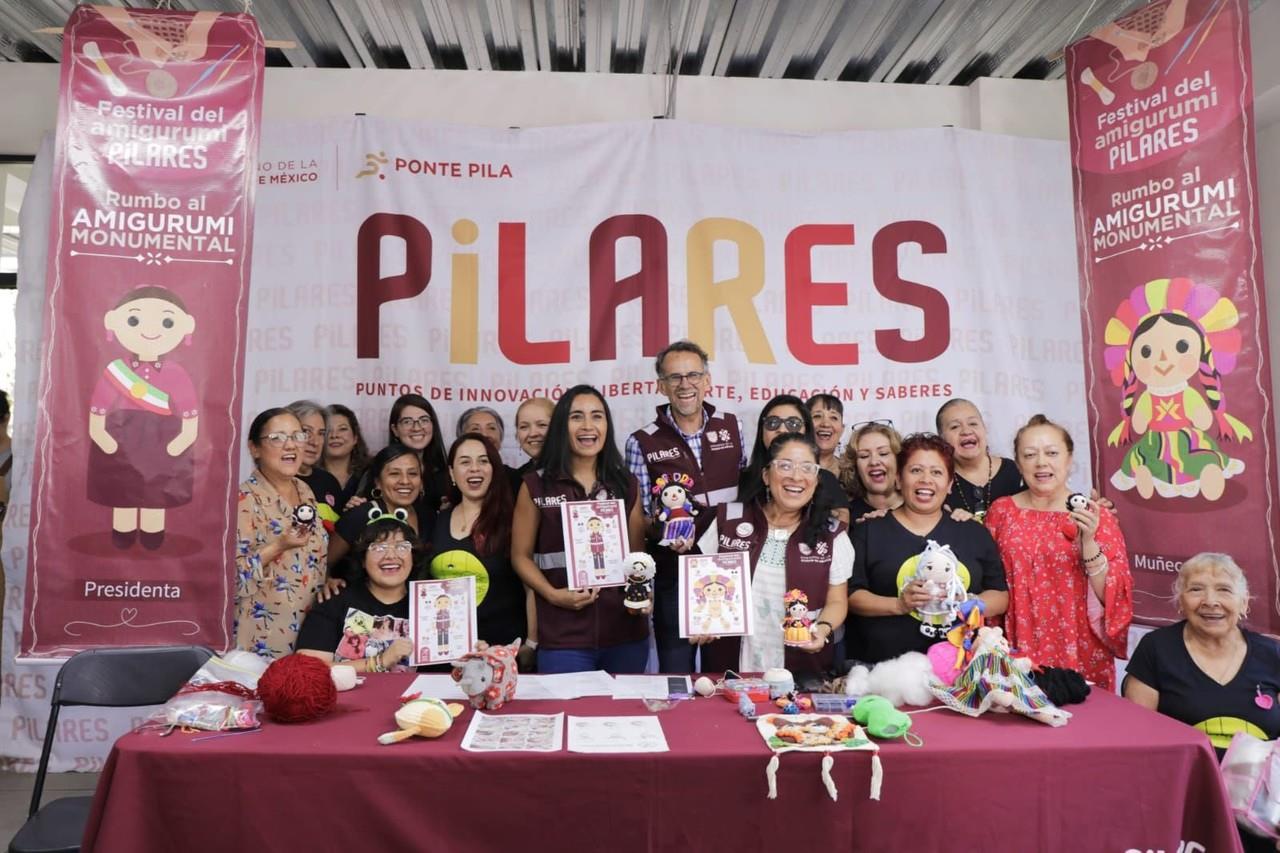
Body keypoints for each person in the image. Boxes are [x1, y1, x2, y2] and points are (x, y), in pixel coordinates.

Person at [1124, 554, 1280, 853]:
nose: (1210, 601)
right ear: (1179, 601)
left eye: (1224, 589)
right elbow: (1137, 742)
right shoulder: (1157, 649)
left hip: (1260, 808)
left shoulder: (1271, 654)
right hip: (1184, 799)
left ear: (1244, 602)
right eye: (1196, 589)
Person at [625, 340, 746, 673]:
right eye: (674, 377)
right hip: (672, 576)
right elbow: (641, 521)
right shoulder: (641, 441)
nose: (685, 384)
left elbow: (750, 499)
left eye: (693, 374)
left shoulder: (734, 426)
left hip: (727, 575)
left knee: (725, 676)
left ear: (707, 381)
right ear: (661, 385)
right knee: (675, 677)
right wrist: (663, 532)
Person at [985, 415, 1132, 690]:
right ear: (1018, 463)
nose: (1041, 462)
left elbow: (1113, 595)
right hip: (1016, 645)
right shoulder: (1001, 511)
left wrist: (1088, 541)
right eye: (1030, 455)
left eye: (1052, 453)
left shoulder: (1095, 515)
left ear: (1069, 459)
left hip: (1079, 647)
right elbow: (987, 580)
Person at [512, 385, 648, 674]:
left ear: (607, 426)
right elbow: (520, 556)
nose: (588, 426)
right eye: (577, 417)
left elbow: (638, 559)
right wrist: (551, 594)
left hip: (625, 634)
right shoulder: (535, 485)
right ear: (562, 426)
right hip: (563, 637)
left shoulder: (627, 484)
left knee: (626, 719)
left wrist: (641, 598)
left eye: (597, 416)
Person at [695, 433, 850, 679]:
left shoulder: (832, 534)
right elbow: (701, 588)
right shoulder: (729, 520)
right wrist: (701, 621)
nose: (796, 476)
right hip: (730, 668)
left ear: (817, 479)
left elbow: (837, 601)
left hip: (801, 671)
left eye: (807, 468)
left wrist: (822, 629)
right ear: (766, 475)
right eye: (785, 466)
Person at [846, 433, 1008, 664]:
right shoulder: (868, 531)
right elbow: (851, 596)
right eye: (915, 471)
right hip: (882, 671)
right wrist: (898, 605)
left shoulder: (973, 532)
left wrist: (966, 604)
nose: (926, 479)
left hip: (959, 670)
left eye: (937, 472)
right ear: (899, 480)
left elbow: (1000, 595)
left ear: (950, 484)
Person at [88, 285, 198, 549]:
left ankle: (152, 535)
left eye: (167, 321)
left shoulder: (176, 372)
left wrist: (182, 440)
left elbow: (190, 413)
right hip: (122, 437)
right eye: (134, 319)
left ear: (186, 327)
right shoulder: (115, 371)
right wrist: (103, 438)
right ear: (114, 322)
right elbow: (98, 410)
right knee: (121, 489)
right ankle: (123, 533)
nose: (150, 330)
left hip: (162, 439)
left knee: (157, 492)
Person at [428, 433, 533, 668]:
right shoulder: (436, 521)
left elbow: (531, 588)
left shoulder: (513, 522)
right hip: (444, 653)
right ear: (452, 473)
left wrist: (532, 644)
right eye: (465, 462)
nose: (474, 468)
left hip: (500, 655)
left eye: (483, 461)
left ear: (495, 470)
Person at [235, 408, 329, 658]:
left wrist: (328, 581)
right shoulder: (242, 500)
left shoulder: (305, 490)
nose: (291, 446)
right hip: (263, 641)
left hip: (311, 638)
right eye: (277, 438)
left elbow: (311, 559)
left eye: (297, 436)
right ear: (254, 448)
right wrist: (278, 546)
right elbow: (230, 580)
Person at [296, 516, 416, 673]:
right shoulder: (334, 601)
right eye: (379, 548)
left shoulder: (428, 605)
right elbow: (307, 669)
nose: (391, 555)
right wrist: (379, 662)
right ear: (362, 560)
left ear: (413, 556)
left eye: (401, 547)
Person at [740, 394, 850, 525]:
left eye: (793, 424)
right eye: (773, 422)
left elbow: (838, 531)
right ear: (761, 431)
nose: (781, 429)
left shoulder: (825, 479)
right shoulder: (741, 479)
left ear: (806, 431)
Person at [328, 443, 428, 578]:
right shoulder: (359, 515)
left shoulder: (428, 515)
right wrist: (329, 581)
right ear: (378, 482)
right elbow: (324, 563)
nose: (405, 481)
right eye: (394, 474)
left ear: (421, 481)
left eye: (413, 473)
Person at [935, 398, 1022, 521]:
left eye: (973, 423)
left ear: (984, 428)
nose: (966, 431)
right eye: (955, 427)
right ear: (941, 439)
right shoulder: (939, 481)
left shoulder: (1015, 471)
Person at [387, 393, 450, 512]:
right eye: (407, 422)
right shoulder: (379, 469)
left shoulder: (447, 474)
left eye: (424, 420)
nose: (417, 428)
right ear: (395, 430)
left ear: (433, 425)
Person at [286, 400, 343, 525]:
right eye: (306, 432)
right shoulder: (277, 481)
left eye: (321, 434)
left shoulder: (329, 481)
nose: (315, 442)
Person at [839, 420, 903, 522]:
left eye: (883, 453)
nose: (874, 462)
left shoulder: (920, 507)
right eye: (864, 456)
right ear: (854, 466)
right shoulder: (846, 516)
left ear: (899, 460)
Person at [457, 405, 522, 492]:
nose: (485, 434)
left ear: (501, 436)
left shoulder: (517, 479)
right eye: (475, 429)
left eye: (491, 428)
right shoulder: (452, 478)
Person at [322, 403, 370, 509]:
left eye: (342, 429)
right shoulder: (309, 477)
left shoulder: (370, 475)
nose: (334, 435)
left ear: (355, 438)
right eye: (327, 430)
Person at [805, 393, 846, 477]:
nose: (826, 424)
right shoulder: (792, 469)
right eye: (817, 416)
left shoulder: (853, 472)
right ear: (805, 425)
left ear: (842, 429)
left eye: (833, 417)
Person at [513, 396, 553, 478]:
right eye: (524, 427)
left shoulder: (577, 472)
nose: (532, 434)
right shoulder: (516, 479)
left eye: (542, 425)